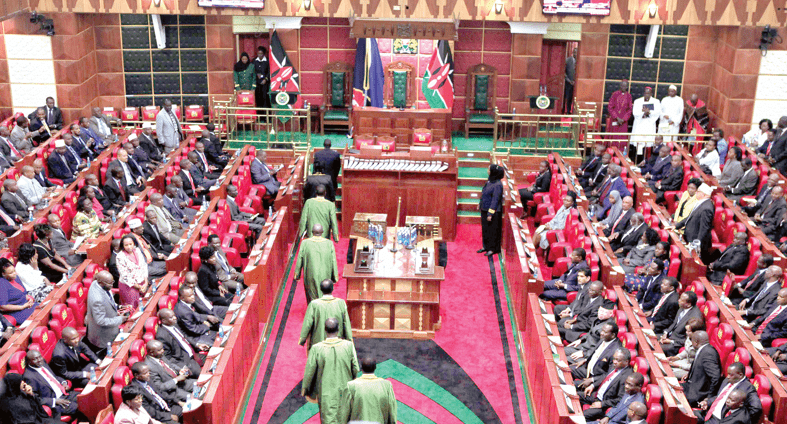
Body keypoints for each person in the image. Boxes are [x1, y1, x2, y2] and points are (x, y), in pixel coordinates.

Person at [301, 318, 360, 424]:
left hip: (326, 393)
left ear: (325, 330)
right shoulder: (349, 346)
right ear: (338, 330)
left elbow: (310, 372)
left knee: (328, 419)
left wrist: (306, 389)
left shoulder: (316, 348)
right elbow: (355, 368)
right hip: (345, 390)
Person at [23, 350, 84, 420]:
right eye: (35, 359)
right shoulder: (29, 377)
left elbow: (54, 377)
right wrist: (55, 401)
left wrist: (63, 382)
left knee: (85, 398)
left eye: (40, 357)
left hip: (65, 394)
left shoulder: (43, 363)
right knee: (80, 408)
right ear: (28, 362)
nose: (39, 360)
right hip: (56, 403)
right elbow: (36, 399)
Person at [694, 362, 762, 424]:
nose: (728, 376)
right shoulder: (727, 380)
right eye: (728, 374)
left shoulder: (748, 387)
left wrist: (733, 419)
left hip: (719, 420)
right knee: (688, 416)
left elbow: (756, 408)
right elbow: (719, 397)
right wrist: (707, 402)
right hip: (708, 413)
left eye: (731, 375)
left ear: (740, 375)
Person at [340, 356, 397, 424]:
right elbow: (392, 413)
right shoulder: (386, 386)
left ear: (362, 368)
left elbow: (344, 413)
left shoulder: (351, 386)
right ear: (375, 368)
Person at [580, 349, 633, 421]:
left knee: (581, 416)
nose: (614, 362)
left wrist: (602, 404)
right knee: (574, 396)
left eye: (618, 360)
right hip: (596, 395)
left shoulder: (626, 378)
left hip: (604, 405)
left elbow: (620, 399)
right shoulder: (615, 366)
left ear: (626, 362)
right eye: (614, 359)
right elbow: (605, 376)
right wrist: (593, 385)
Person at [86, 271, 129, 357]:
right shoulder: (97, 299)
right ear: (101, 282)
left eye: (112, 282)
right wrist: (120, 319)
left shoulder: (96, 283)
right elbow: (101, 321)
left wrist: (119, 307)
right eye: (109, 283)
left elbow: (109, 300)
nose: (112, 285)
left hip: (110, 328)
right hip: (103, 337)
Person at [299, 279, 352, 349]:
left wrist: (302, 339)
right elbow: (346, 323)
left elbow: (308, 323)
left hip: (318, 343)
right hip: (337, 343)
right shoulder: (341, 303)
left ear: (321, 289)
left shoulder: (314, 304)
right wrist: (349, 339)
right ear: (332, 289)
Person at [294, 224, 339, 304]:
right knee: (324, 297)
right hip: (325, 274)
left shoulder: (305, 243)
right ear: (322, 232)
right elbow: (333, 261)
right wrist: (334, 277)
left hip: (310, 275)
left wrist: (297, 275)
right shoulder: (329, 243)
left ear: (312, 232)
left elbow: (299, 259)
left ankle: (313, 313)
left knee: (312, 297)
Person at [155, 309, 205, 374]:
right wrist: (182, 366)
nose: (175, 318)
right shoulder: (162, 336)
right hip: (185, 361)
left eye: (174, 315)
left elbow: (184, 336)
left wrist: (197, 344)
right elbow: (167, 357)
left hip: (193, 354)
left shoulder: (174, 324)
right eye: (171, 317)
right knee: (202, 374)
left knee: (213, 360)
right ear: (163, 320)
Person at [144, 340, 194, 404]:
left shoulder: (159, 355)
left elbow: (170, 364)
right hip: (172, 391)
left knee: (200, 385)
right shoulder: (149, 367)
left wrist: (180, 370)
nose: (163, 351)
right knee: (194, 398)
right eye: (159, 350)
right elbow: (160, 387)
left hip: (180, 382)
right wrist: (176, 379)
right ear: (151, 352)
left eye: (162, 348)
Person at [681, 331, 723, 407]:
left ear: (696, 342)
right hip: (691, 385)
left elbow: (715, 377)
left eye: (692, 340)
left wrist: (708, 399)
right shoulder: (704, 350)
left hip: (697, 394)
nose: (691, 343)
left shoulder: (708, 353)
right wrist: (690, 374)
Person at [675, 183, 714, 263]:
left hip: (695, 241)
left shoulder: (707, 208)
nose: (696, 192)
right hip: (689, 237)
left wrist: (696, 245)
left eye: (698, 191)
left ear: (705, 195)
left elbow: (704, 228)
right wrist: (676, 226)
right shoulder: (700, 202)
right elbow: (689, 217)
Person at [659, 291, 702, 356]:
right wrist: (666, 333)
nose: (678, 300)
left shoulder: (695, 318)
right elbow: (674, 323)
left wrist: (671, 341)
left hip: (676, 344)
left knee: (656, 347)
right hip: (669, 336)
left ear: (688, 304)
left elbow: (689, 339)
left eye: (681, 300)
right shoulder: (682, 306)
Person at [116, 234, 150, 309]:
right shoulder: (120, 256)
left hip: (142, 282)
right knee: (134, 308)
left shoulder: (137, 250)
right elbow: (125, 275)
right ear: (123, 246)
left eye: (130, 244)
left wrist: (146, 282)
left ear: (134, 243)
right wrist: (139, 287)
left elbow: (144, 266)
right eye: (126, 245)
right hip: (129, 286)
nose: (129, 247)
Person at [0, 257, 37, 323]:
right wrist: (22, 307)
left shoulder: (15, 278)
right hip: (18, 312)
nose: (15, 273)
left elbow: (23, 294)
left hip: (27, 305)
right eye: (11, 273)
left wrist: (29, 299)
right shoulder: (2, 284)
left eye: (14, 271)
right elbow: (2, 306)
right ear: (3, 274)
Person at [631, 87, 662, 156]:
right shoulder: (637, 101)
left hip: (649, 124)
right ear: (643, 93)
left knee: (648, 142)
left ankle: (647, 158)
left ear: (651, 94)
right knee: (638, 142)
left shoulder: (656, 101)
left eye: (648, 93)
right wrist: (643, 113)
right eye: (645, 93)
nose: (647, 95)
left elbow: (658, 113)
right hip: (639, 124)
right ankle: (637, 159)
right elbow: (635, 113)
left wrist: (649, 112)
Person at [605, 80, 632, 146]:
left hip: (623, 122)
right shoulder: (615, 94)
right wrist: (617, 118)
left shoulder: (629, 96)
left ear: (627, 87)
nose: (623, 87)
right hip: (615, 120)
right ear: (620, 86)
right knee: (613, 137)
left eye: (625, 86)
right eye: (622, 85)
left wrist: (623, 119)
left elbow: (630, 110)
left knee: (621, 138)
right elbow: (610, 107)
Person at [563, 47, 577, 114]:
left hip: (578, 84)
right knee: (569, 97)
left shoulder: (580, 60)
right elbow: (563, 72)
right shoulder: (568, 60)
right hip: (569, 83)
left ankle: (575, 112)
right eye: (574, 52)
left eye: (576, 52)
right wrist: (569, 80)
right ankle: (568, 111)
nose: (575, 54)